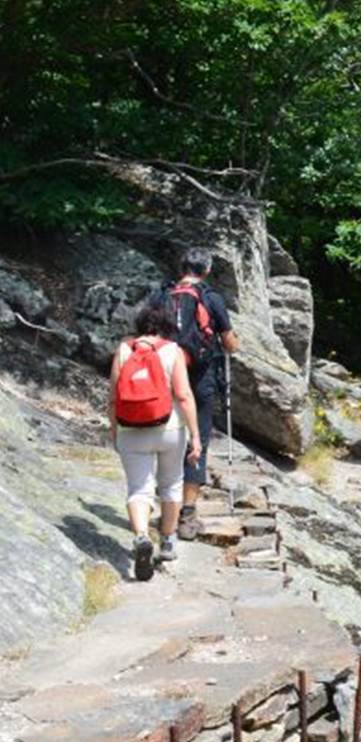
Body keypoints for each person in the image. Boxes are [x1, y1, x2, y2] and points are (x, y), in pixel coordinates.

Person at [110, 297, 202, 580]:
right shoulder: (172, 351)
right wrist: (196, 436)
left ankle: (140, 536)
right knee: (171, 484)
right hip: (170, 429)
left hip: (131, 429)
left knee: (139, 488)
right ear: (165, 326)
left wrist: (114, 429)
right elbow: (184, 395)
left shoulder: (125, 350)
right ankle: (168, 542)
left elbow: (113, 396)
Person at [164, 248, 239, 540]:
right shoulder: (211, 298)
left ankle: (165, 503)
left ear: (182, 266)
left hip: (168, 375)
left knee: (168, 436)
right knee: (199, 441)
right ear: (206, 270)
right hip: (201, 377)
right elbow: (230, 344)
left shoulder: (163, 295)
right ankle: (187, 513)